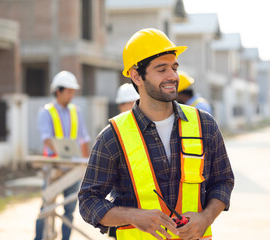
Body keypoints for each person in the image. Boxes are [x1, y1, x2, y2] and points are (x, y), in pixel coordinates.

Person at [78, 28, 234, 240]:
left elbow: (223, 181)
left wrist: (206, 218)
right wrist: (134, 216)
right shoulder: (113, 137)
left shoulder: (204, 125)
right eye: (162, 69)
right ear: (136, 76)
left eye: (174, 67)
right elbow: (88, 202)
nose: (173, 76)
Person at [34, 70, 91, 240]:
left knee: (69, 209)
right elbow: (47, 139)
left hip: (74, 168)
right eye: (69, 91)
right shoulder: (46, 112)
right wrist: (61, 154)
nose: (72, 95)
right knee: (47, 207)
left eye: (73, 91)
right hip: (54, 167)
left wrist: (85, 163)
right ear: (58, 91)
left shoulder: (76, 111)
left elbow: (84, 139)